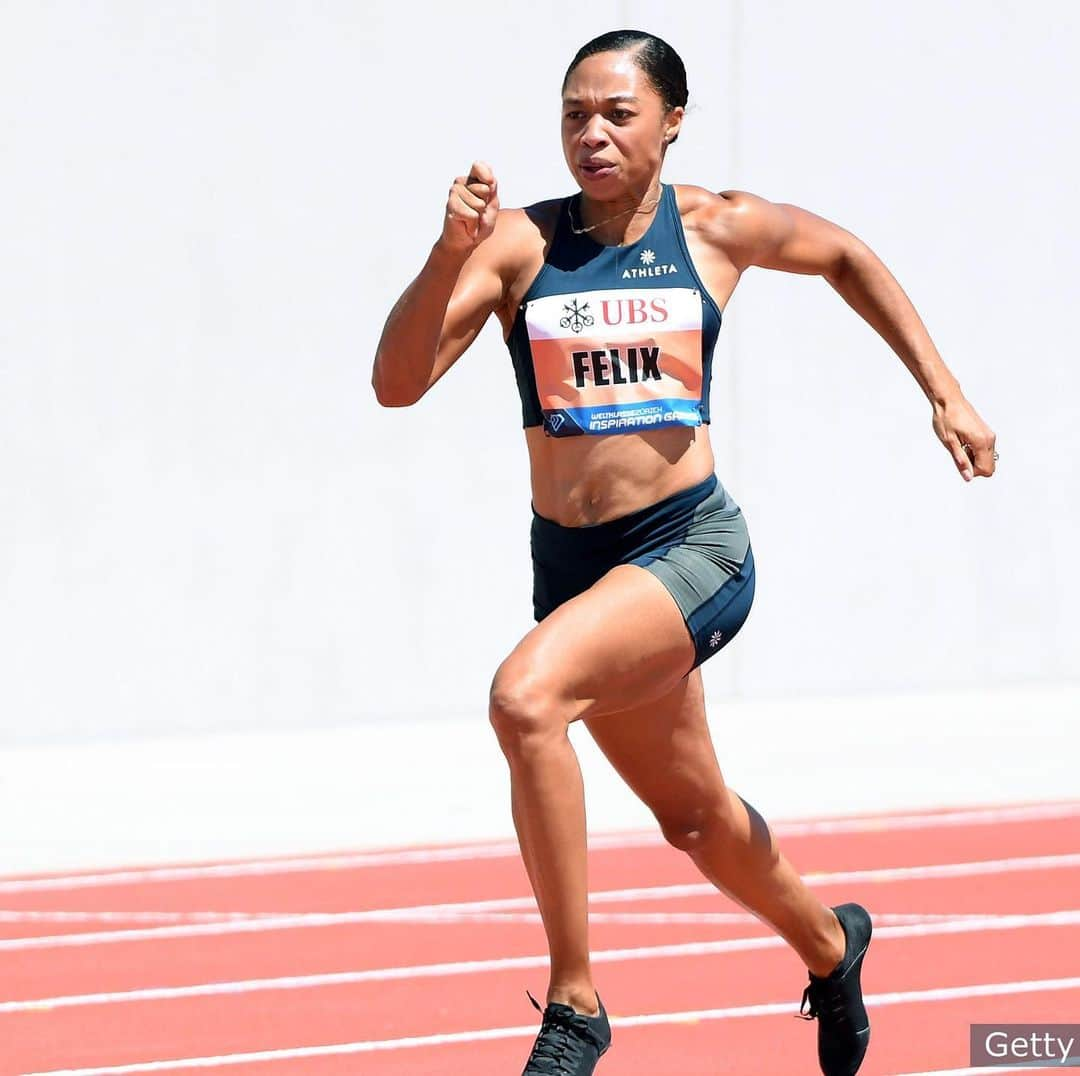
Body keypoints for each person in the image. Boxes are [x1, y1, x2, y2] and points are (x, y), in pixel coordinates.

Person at [372, 27, 997, 1076]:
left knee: (526, 699)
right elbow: (396, 382)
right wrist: (446, 253)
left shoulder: (714, 227)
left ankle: (575, 1002)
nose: (592, 133)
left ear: (672, 120)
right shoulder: (521, 246)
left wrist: (945, 390)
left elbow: (847, 254)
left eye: (618, 113)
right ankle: (832, 944)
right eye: (574, 114)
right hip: (578, 569)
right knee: (696, 818)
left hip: (691, 545)